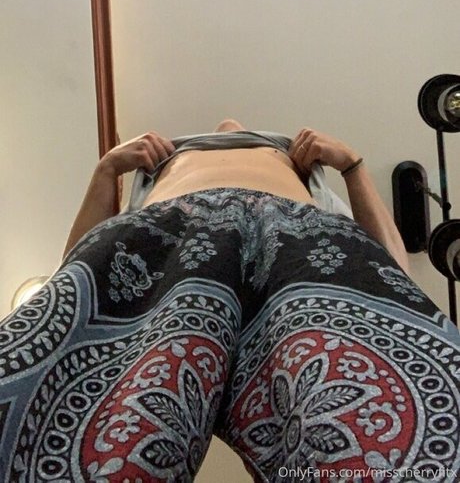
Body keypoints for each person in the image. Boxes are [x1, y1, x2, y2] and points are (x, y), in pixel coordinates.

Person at [1, 120, 459, 482]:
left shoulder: (301, 167)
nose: (228, 122)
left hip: (294, 240)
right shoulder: (157, 168)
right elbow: (76, 279)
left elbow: (393, 278)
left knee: (361, 416)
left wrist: (351, 164)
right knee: (97, 412)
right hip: (168, 239)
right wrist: (106, 169)